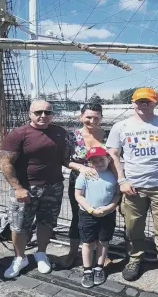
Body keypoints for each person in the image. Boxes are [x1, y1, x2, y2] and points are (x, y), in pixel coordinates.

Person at [106, 87, 158, 290]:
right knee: (133, 228)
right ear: (133, 103)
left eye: (148, 101)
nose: (144, 105)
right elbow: (113, 154)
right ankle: (134, 259)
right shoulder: (121, 126)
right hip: (134, 187)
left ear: (155, 103)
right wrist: (122, 180)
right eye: (140, 101)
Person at [0, 99, 71, 279]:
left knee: (46, 222)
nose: (43, 116)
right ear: (30, 114)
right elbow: (5, 162)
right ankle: (19, 257)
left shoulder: (60, 133)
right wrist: (17, 187)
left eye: (47, 112)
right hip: (25, 188)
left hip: (53, 186)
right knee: (19, 225)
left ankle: (41, 253)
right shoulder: (18, 134)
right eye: (38, 112)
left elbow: (66, 159)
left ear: (52, 115)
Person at [63, 103, 107, 269]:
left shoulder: (106, 134)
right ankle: (73, 251)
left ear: (101, 118)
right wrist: (81, 167)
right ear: (81, 117)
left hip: (103, 181)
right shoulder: (73, 136)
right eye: (88, 117)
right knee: (78, 216)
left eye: (96, 117)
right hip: (79, 181)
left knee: (102, 216)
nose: (92, 120)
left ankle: (99, 253)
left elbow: (114, 157)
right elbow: (65, 160)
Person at [75, 147, 120, 288]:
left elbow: (117, 195)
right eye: (94, 160)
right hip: (87, 214)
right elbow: (78, 195)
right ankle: (87, 269)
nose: (98, 162)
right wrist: (90, 209)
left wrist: (109, 208)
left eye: (101, 159)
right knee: (87, 242)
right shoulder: (84, 175)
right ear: (89, 163)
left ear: (108, 159)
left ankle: (99, 267)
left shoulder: (114, 176)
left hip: (107, 214)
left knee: (104, 241)